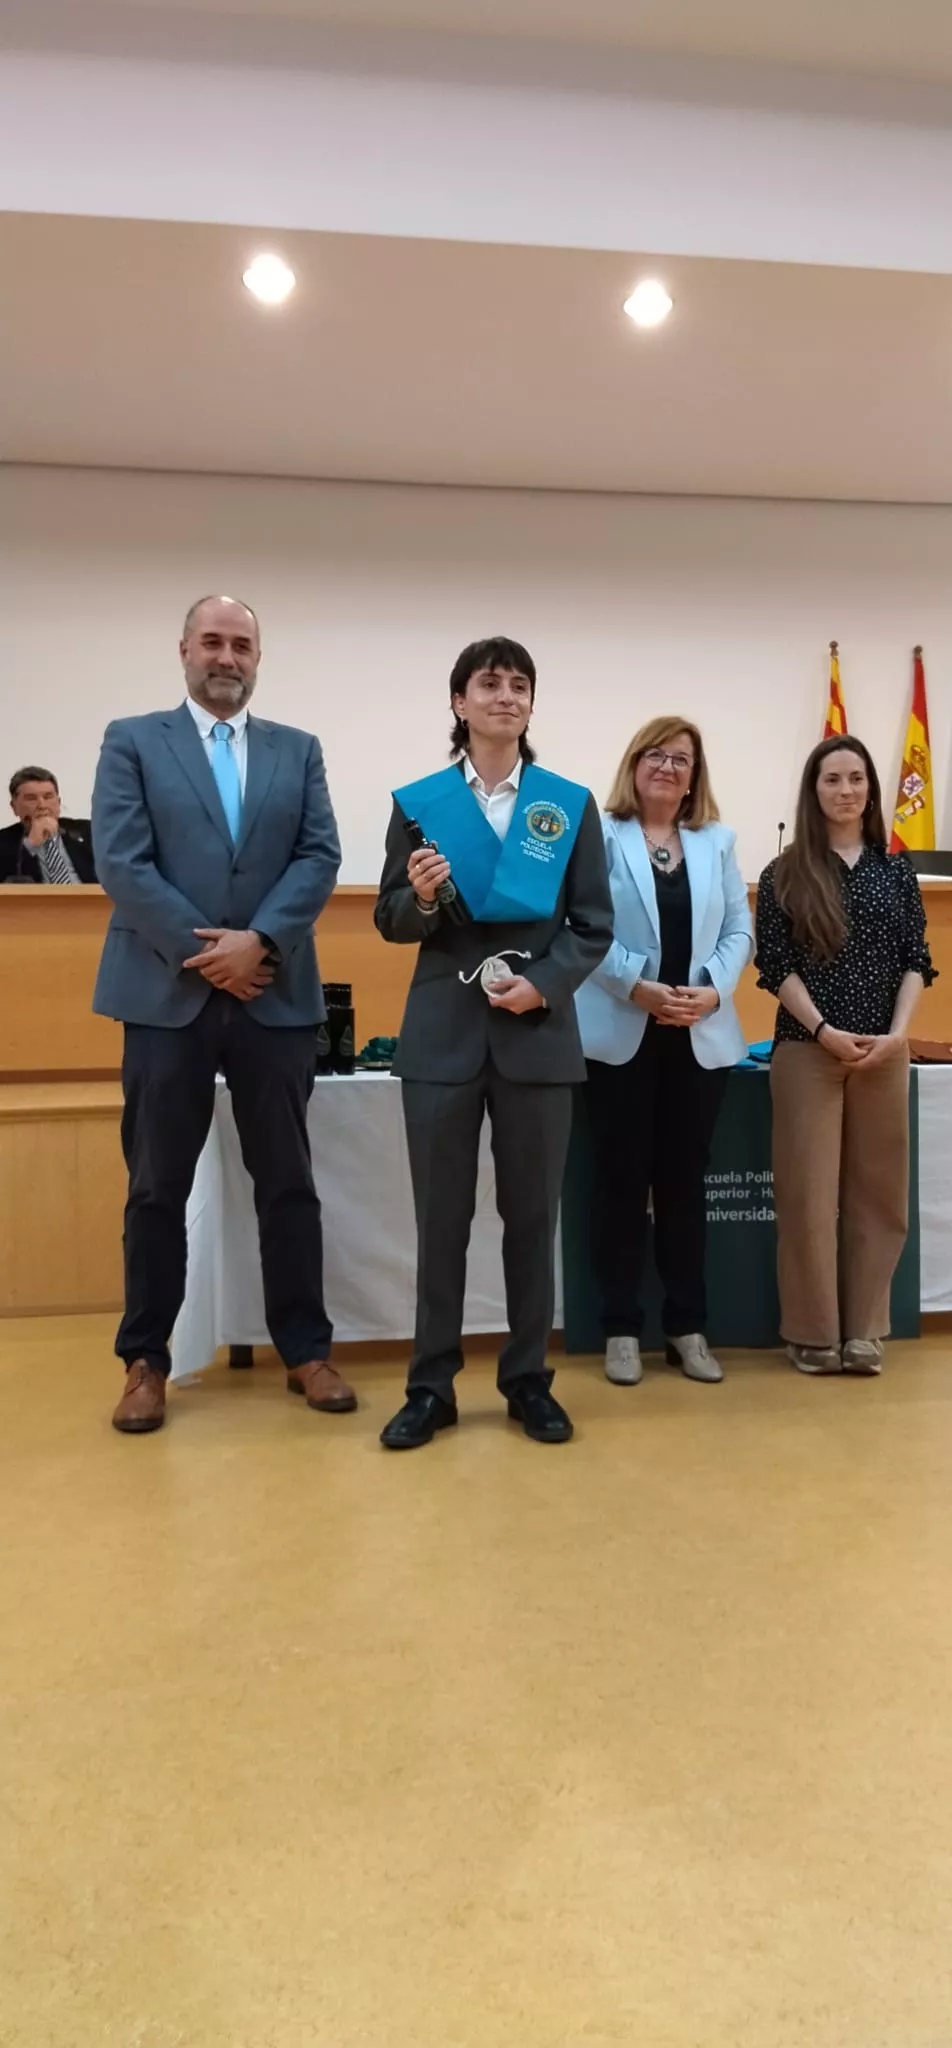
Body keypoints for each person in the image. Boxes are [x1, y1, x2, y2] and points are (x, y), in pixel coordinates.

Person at [92, 594, 355, 1432]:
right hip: (165, 996)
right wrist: (210, 954)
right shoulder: (133, 741)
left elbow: (319, 855)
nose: (227, 657)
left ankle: (307, 1350)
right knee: (155, 1189)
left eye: (242, 644)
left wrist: (261, 944)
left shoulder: (297, 750)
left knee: (289, 1184)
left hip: (274, 995)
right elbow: (122, 860)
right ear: (183, 650)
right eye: (212, 641)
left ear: (257, 658)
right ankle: (145, 1360)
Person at [374, 635, 613, 1450]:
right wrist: (421, 898)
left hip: (537, 1035)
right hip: (442, 1038)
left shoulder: (566, 804)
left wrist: (544, 984)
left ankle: (527, 1381)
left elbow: (593, 924)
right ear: (460, 702)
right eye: (489, 683)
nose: (506, 696)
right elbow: (390, 920)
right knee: (440, 1222)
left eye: (519, 685)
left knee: (532, 1220)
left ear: (531, 704)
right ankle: (430, 1387)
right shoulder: (420, 805)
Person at [575, 717, 752, 1387]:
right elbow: (582, 926)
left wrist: (711, 991)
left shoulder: (717, 841)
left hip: (697, 1034)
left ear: (693, 776)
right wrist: (636, 987)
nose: (667, 767)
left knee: (683, 1185)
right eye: (655, 754)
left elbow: (738, 928)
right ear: (634, 764)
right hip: (621, 1034)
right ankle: (620, 1327)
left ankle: (687, 1327)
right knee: (620, 1182)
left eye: (681, 759)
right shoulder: (600, 835)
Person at [755, 735, 934, 1376]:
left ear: (871, 789)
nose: (846, 790)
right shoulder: (783, 873)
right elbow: (776, 968)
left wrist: (898, 1033)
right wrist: (825, 1029)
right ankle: (812, 1333)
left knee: (879, 1197)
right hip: (808, 1050)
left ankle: (865, 1331)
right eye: (832, 779)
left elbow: (917, 961)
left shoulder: (897, 872)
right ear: (814, 790)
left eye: (856, 778)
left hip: (884, 1053)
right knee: (807, 1197)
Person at [0, 766, 97, 883]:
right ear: (14, 807)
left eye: (48, 797)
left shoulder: (89, 831)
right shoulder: (3, 841)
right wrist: (30, 844)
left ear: (58, 802)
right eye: (31, 798)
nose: (42, 805)